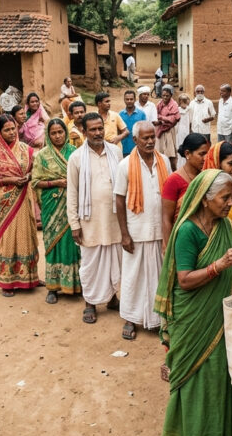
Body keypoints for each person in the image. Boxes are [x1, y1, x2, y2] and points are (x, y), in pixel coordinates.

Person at [155, 170, 232, 436]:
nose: (230, 203)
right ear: (205, 200)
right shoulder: (187, 231)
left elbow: (226, 259)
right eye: (224, 197)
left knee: (216, 375)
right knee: (193, 376)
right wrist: (222, 265)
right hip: (191, 315)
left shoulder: (226, 226)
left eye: (231, 196)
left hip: (217, 314)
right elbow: (185, 280)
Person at [114, 121, 170, 340]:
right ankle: (130, 317)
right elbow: (119, 200)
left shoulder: (164, 161)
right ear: (135, 140)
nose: (149, 141)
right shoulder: (125, 165)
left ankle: (158, 319)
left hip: (160, 230)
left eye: (152, 137)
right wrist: (124, 234)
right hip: (136, 231)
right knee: (133, 276)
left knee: (159, 275)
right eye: (144, 138)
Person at [67, 112, 124, 323]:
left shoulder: (116, 153)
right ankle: (90, 302)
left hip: (114, 219)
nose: (98, 132)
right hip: (89, 221)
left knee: (115, 260)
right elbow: (72, 192)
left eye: (100, 128)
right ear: (84, 131)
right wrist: (74, 223)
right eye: (93, 129)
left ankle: (112, 297)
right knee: (91, 264)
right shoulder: (75, 158)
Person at [0, 114, 41, 297]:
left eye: (13, 128)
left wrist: (27, 177)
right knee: (8, 239)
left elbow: (33, 170)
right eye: (7, 130)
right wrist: (11, 180)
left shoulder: (25, 149)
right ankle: (7, 282)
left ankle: (31, 277)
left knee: (27, 236)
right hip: (5, 202)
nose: (11, 132)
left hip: (23, 199)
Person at [31, 118, 82, 304]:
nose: (58, 136)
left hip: (72, 206)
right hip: (51, 206)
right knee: (52, 243)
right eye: (53, 133)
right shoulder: (42, 156)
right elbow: (35, 181)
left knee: (73, 243)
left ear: (65, 132)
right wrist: (56, 183)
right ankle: (53, 287)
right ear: (48, 135)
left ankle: (75, 284)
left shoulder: (75, 152)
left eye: (60, 132)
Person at [162, 134, 211, 244]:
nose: (205, 158)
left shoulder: (206, 177)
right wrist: (168, 247)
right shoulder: (173, 181)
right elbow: (166, 218)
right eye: (202, 154)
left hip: (205, 239)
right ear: (187, 154)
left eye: (207, 153)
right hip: (182, 241)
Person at [156, 85, 181, 171]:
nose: (165, 97)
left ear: (171, 95)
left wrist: (162, 118)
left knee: (171, 153)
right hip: (160, 130)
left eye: (167, 96)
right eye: (163, 95)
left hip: (169, 131)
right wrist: (164, 119)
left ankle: (173, 171)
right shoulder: (159, 104)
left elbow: (175, 119)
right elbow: (156, 115)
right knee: (160, 152)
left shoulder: (174, 105)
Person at [118, 90, 147, 156]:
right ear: (124, 100)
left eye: (131, 99)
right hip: (124, 149)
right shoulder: (120, 114)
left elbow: (144, 131)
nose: (129, 101)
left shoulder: (141, 114)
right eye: (127, 99)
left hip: (138, 149)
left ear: (135, 100)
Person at [175, 94, 192, 170]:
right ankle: (180, 166)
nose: (184, 102)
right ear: (179, 101)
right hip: (179, 131)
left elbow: (191, 121)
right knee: (180, 146)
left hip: (187, 131)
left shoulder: (190, 109)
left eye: (185, 100)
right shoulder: (177, 110)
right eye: (182, 100)